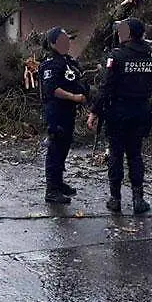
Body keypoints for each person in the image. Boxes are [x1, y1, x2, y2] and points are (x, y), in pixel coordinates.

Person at [86, 18, 152, 216]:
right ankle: (138, 199)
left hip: (118, 112)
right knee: (135, 155)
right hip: (141, 111)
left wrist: (95, 111)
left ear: (129, 34)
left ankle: (115, 199)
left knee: (115, 154)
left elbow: (106, 87)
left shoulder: (117, 55)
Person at [39, 27, 89, 205]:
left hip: (69, 112)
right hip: (56, 112)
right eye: (61, 41)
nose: (66, 44)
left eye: (67, 40)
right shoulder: (50, 64)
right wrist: (74, 97)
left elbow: (76, 79)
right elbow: (52, 89)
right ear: (53, 44)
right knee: (55, 151)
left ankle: (59, 183)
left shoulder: (68, 61)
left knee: (64, 149)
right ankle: (51, 190)